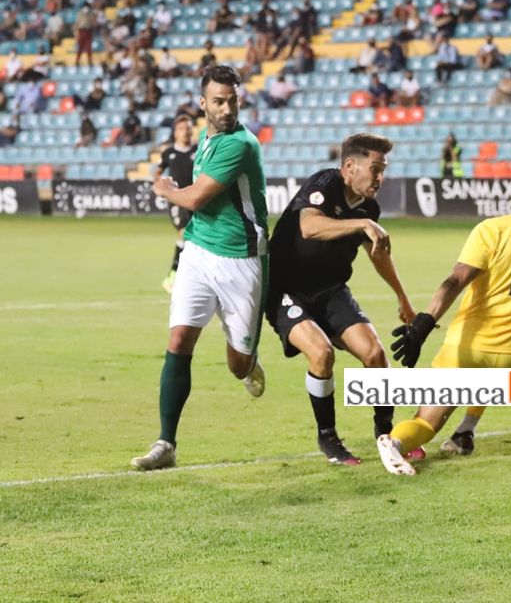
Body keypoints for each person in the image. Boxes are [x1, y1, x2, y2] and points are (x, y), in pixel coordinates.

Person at [377, 158, 511, 474]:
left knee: (426, 421)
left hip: (468, 346)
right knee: (485, 382)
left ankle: (394, 443)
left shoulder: (493, 229)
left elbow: (456, 280)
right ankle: (466, 430)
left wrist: (423, 324)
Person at [131, 65, 269, 471]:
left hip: (242, 261)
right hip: (198, 253)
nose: (228, 109)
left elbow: (195, 199)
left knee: (237, 364)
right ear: (203, 104)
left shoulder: (240, 145)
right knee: (178, 343)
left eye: (234, 100)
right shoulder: (206, 140)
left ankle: (248, 360)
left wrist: (166, 190)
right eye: (219, 101)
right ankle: (165, 443)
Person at [266, 133, 414, 465]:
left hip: (331, 290)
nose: (380, 178)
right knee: (321, 353)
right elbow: (309, 226)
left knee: (375, 354)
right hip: (288, 290)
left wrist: (402, 296)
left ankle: (385, 433)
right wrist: (362, 223)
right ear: (350, 166)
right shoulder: (326, 183)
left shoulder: (369, 207)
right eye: (375, 168)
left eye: (383, 169)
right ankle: (328, 438)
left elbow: (377, 253)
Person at [156, 115, 198, 294]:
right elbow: (158, 171)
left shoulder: (198, 150)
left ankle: (183, 275)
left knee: (192, 238)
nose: (185, 131)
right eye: (181, 128)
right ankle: (172, 275)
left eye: (188, 128)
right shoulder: (169, 153)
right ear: (175, 132)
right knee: (184, 233)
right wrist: (160, 187)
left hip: (194, 199)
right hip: (175, 200)